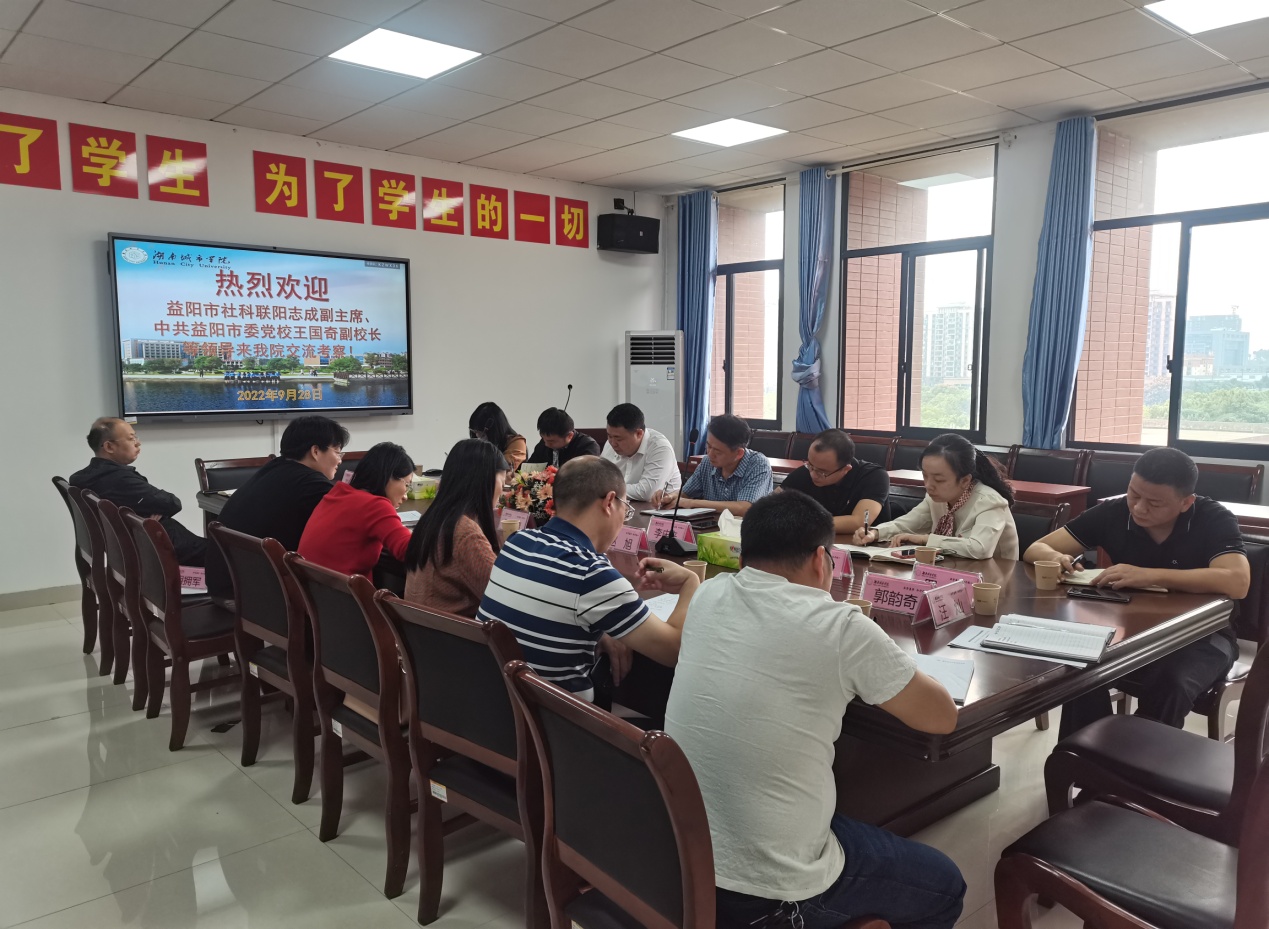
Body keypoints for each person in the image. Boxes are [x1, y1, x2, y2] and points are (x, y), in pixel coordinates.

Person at [665, 491, 965, 929]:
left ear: (743, 556)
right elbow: (941, 716)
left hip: (679, 852)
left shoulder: (709, 593)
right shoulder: (841, 627)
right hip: (769, 891)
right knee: (946, 886)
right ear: (822, 560)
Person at [1025, 447, 1249, 739]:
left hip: (1203, 635)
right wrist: (1057, 558)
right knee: (1080, 671)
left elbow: (1237, 581)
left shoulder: (1212, 518)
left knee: (1171, 683)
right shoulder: (1114, 512)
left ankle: (1141, 760)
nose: (1139, 508)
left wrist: (1150, 575)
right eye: (1134, 494)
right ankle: (1084, 755)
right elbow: (1037, 548)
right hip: (1131, 633)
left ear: (1186, 502)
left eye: (1155, 503)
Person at [477, 456, 697, 701]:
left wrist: (602, 628)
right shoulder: (592, 573)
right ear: (610, 502)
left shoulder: (517, 543)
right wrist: (690, 583)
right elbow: (673, 651)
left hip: (494, 704)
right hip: (559, 719)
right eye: (626, 508)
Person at [204, 416, 348, 600]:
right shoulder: (312, 485)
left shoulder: (274, 468)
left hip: (226, 587)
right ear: (315, 451)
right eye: (337, 452)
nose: (340, 461)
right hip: (256, 600)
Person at [854, 434, 1018, 559]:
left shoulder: (989, 501)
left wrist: (925, 540)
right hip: (952, 571)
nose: (929, 485)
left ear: (965, 480)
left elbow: (979, 548)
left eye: (939, 480)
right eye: (925, 476)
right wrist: (875, 533)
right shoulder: (937, 497)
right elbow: (907, 524)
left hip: (995, 581)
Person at [70, 417, 206, 565]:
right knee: (223, 551)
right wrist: (146, 516)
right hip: (163, 549)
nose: (138, 443)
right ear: (109, 447)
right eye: (131, 438)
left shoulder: (81, 478)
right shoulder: (120, 480)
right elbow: (173, 503)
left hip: (140, 547)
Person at [404, 439, 509, 617]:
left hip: (422, 628)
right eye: (503, 481)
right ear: (486, 480)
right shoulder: (464, 533)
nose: (503, 490)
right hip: (449, 632)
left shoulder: (434, 517)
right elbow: (503, 597)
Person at [297, 442, 414, 578]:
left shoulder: (338, 493)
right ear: (389, 477)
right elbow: (410, 551)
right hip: (344, 590)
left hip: (310, 587)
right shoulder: (375, 506)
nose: (405, 496)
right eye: (407, 484)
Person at [779, 429, 890, 534]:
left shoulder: (874, 476)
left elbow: (858, 522)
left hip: (868, 545)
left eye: (822, 472)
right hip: (819, 542)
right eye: (810, 465)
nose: (813, 475)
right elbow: (773, 504)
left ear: (846, 469)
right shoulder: (807, 471)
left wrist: (804, 524)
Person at [658, 414, 772, 516]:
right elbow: (685, 494)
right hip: (710, 528)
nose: (710, 454)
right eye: (708, 446)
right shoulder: (707, 462)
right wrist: (670, 496)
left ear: (738, 453)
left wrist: (692, 503)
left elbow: (745, 508)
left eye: (718, 451)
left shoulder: (758, 465)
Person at [601, 402, 680, 502]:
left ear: (639, 433)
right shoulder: (610, 443)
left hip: (657, 509)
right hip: (621, 505)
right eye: (609, 436)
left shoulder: (660, 447)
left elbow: (646, 492)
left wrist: (605, 489)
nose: (613, 443)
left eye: (619, 439)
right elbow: (600, 478)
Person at [525, 407, 600, 468]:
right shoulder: (544, 444)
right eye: (543, 439)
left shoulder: (588, 446)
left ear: (569, 436)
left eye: (551, 441)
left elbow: (586, 475)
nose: (546, 444)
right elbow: (530, 468)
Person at [468, 402, 527, 472]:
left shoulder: (516, 442)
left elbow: (502, 468)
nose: (477, 435)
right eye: (475, 431)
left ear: (494, 429)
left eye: (482, 433)